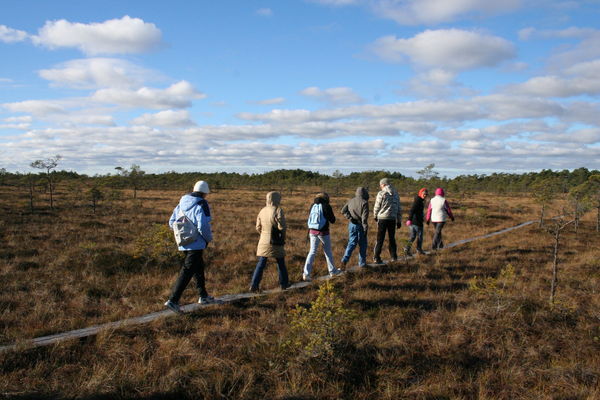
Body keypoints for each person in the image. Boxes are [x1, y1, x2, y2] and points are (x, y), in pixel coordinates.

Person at [164, 180, 216, 313]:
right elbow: (203, 225)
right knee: (187, 270)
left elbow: (171, 222)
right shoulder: (202, 204)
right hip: (197, 243)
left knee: (198, 268)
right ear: (205, 193)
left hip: (184, 242)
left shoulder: (181, 203)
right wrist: (208, 239)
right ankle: (173, 300)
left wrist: (183, 232)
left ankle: (203, 296)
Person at [250, 191, 290, 292]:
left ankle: (254, 285)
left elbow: (257, 227)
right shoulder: (278, 210)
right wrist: (283, 238)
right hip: (275, 241)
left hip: (263, 240)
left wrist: (263, 235)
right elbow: (282, 227)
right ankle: (284, 284)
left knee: (261, 262)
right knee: (280, 261)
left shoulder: (262, 210)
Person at [302, 192, 342, 281]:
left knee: (312, 252)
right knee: (327, 252)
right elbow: (333, 220)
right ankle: (332, 271)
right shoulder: (326, 206)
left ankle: (306, 273)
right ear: (326, 198)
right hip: (323, 232)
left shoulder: (313, 205)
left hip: (312, 231)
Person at [373, 178, 402, 263]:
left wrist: (375, 215)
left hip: (382, 219)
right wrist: (399, 220)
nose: (380, 186)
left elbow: (377, 206)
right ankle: (394, 257)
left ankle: (376, 257)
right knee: (392, 239)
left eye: (380, 185)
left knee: (380, 239)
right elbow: (399, 208)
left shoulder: (381, 193)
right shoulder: (396, 194)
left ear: (383, 184)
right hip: (392, 219)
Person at [340, 187, 369, 268]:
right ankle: (362, 264)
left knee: (351, 243)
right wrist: (365, 228)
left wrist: (350, 218)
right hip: (360, 225)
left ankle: (344, 261)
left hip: (352, 225)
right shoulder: (364, 202)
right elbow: (364, 218)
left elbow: (343, 211)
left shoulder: (351, 200)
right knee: (363, 244)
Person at [405, 188, 428, 255]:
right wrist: (409, 219)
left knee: (412, 236)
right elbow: (412, 210)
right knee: (419, 236)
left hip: (414, 221)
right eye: (424, 194)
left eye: (426, 194)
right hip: (416, 222)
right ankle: (419, 249)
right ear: (420, 193)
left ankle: (407, 248)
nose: (425, 195)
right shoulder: (418, 200)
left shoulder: (419, 200)